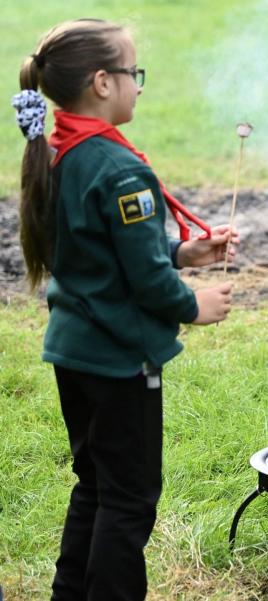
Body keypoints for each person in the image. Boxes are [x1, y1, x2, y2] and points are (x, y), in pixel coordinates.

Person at [13, 19, 237, 600]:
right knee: (130, 500)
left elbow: (97, 253)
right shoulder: (119, 169)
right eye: (133, 74)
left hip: (73, 351)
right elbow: (145, 281)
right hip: (117, 362)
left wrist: (182, 252)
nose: (138, 85)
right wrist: (193, 304)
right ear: (102, 83)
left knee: (94, 486)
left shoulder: (59, 150)